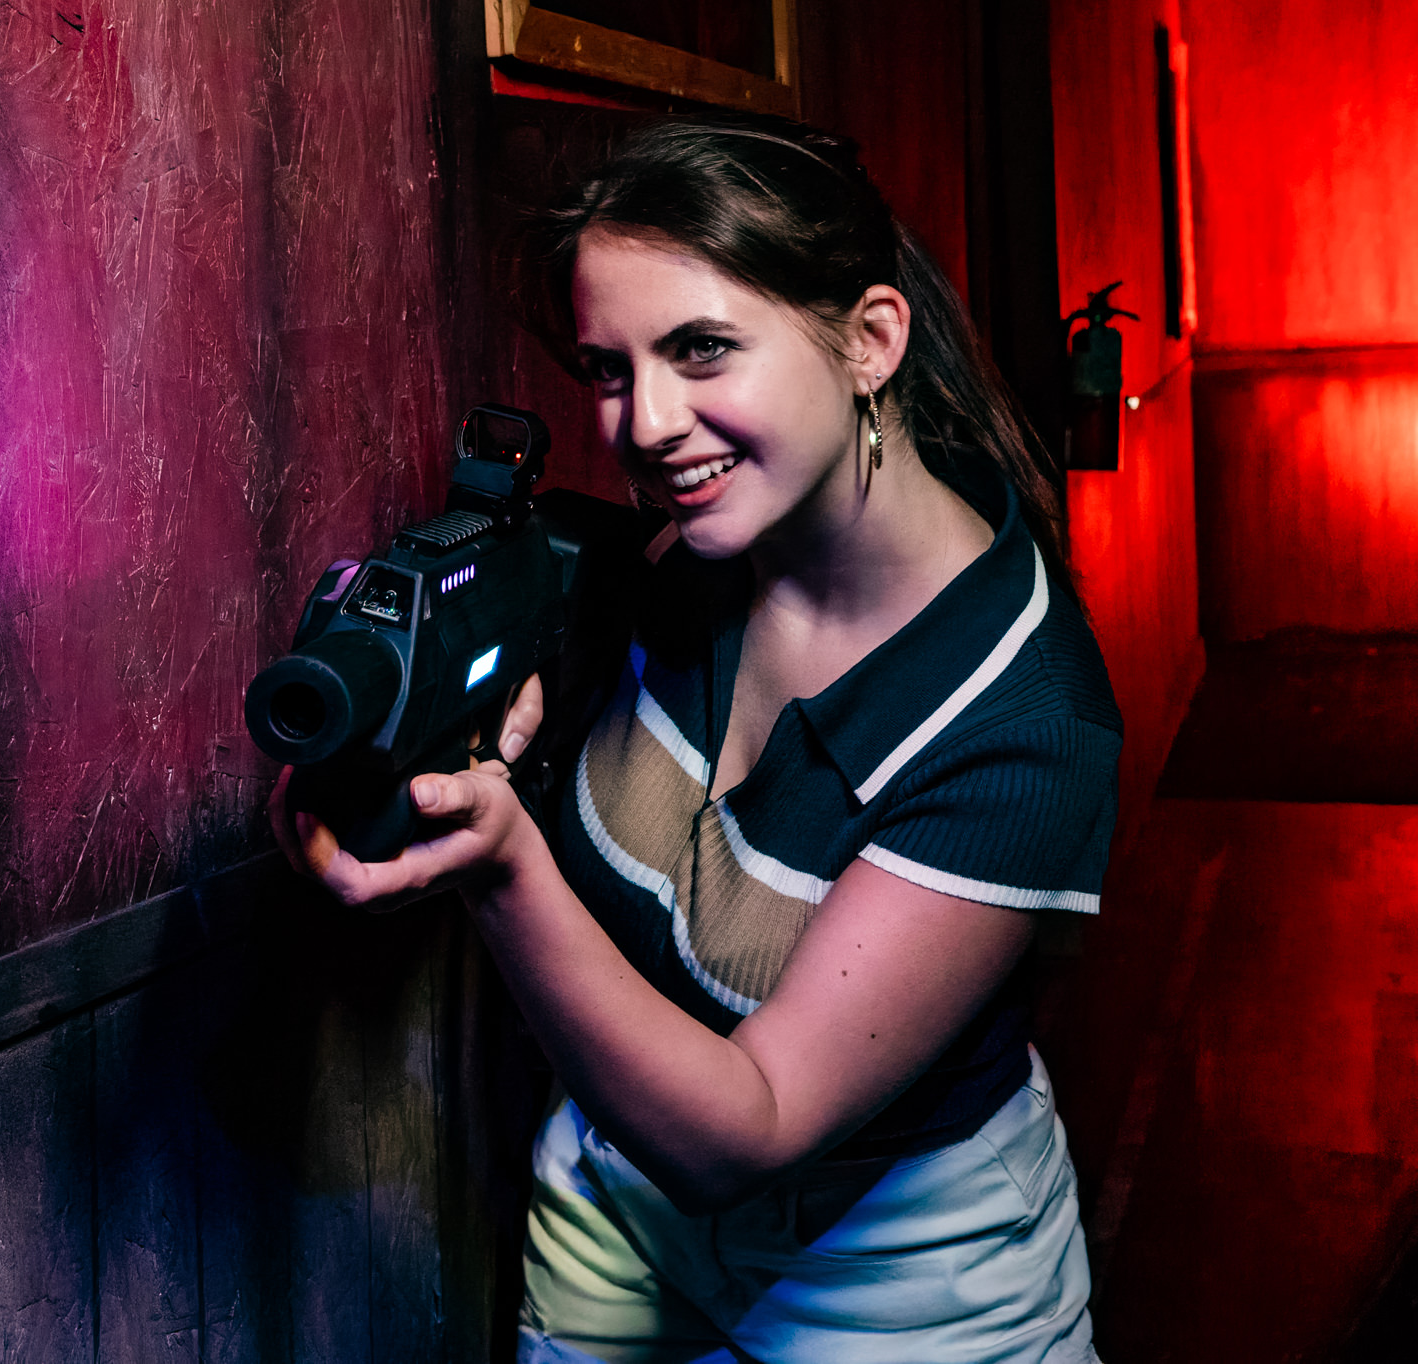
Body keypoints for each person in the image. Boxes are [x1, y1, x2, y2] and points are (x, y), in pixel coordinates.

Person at [273, 119, 1120, 1363]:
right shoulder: (678, 553)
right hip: (611, 1212)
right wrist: (384, 762)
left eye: (701, 348)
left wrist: (498, 867)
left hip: (889, 1287)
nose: (646, 423)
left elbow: (747, 1125)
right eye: (607, 368)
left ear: (869, 340)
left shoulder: (1022, 719)